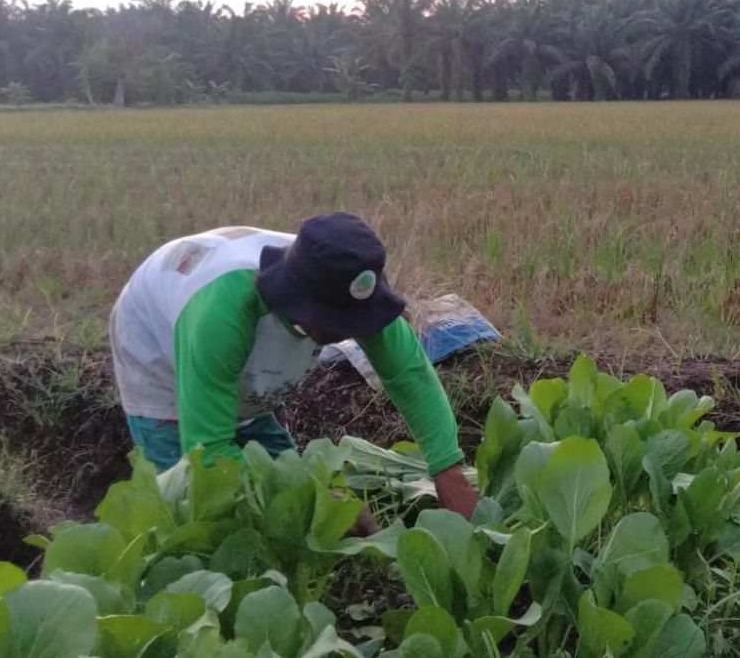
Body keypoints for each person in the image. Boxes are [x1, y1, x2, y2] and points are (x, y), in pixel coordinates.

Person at [109, 212, 480, 520]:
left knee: (273, 473)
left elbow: (409, 374)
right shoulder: (222, 317)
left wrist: (448, 472)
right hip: (154, 343)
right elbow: (207, 453)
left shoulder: (340, 273)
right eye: (336, 323)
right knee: (193, 500)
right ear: (298, 301)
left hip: (227, 337)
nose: (345, 334)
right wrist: (318, 500)